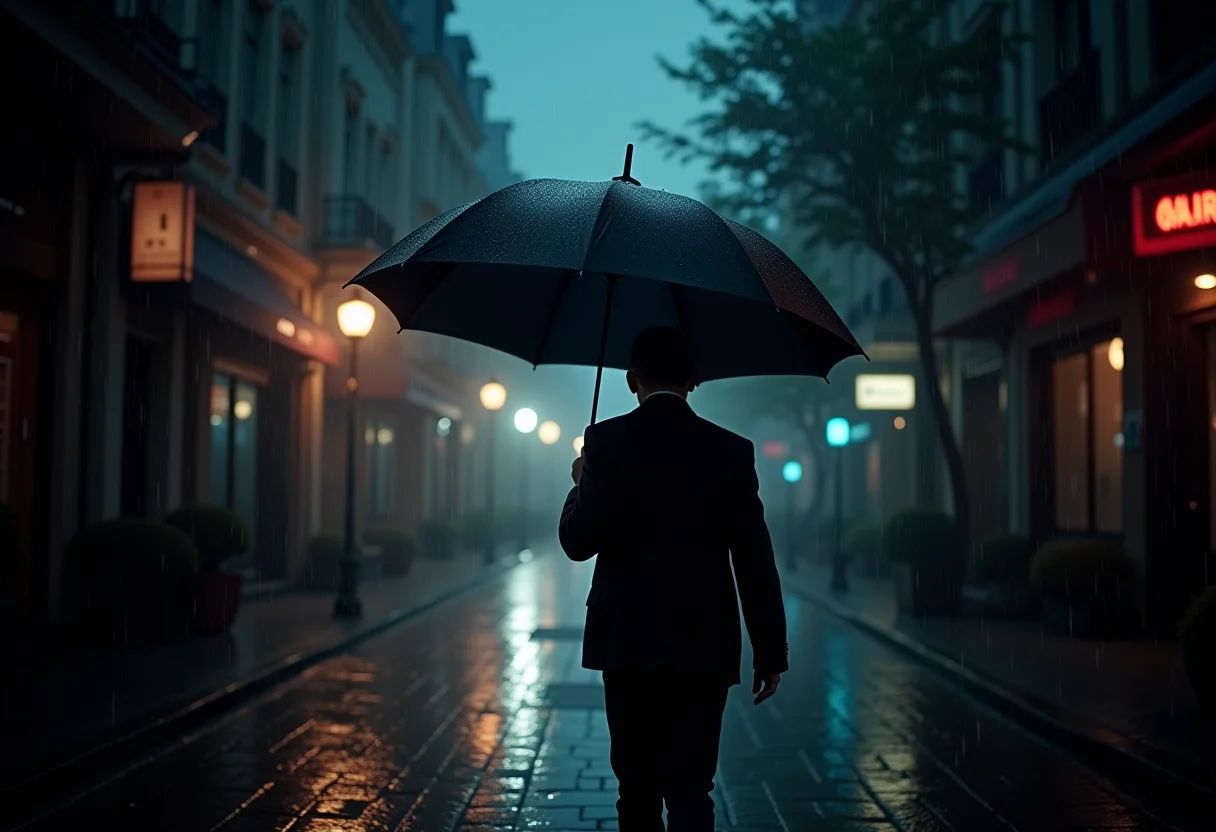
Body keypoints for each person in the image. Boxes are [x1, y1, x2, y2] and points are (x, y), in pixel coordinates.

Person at [559, 326, 788, 832]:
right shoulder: (731, 451)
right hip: (702, 644)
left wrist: (579, 484)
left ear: (629, 380)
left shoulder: (606, 442)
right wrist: (771, 651)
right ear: (695, 380)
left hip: (627, 642)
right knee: (691, 788)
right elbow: (754, 558)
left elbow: (578, 543)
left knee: (636, 790)